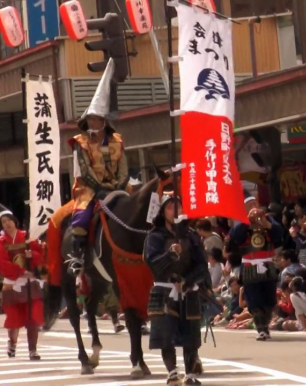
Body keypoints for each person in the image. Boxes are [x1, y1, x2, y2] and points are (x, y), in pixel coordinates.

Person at [67, 61, 129, 276]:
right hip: (90, 190)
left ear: (104, 120)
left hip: (117, 187)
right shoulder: (80, 143)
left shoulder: (117, 141)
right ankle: (77, 256)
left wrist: (119, 185)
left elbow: (123, 166)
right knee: (81, 218)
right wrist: (100, 188)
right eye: (90, 118)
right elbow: (84, 170)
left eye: (96, 118)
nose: (92, 122)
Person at [144, 192, 207, 385]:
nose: (174, 211)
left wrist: (188, 281)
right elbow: (152, 263)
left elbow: (202, 266)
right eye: (170, 207)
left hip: (188, 289)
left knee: (191, 335)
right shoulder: (154, 236)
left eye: (178, 207)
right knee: (166, 335)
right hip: (164, 288)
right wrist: (170, 255)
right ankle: (172, 372)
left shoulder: (191, 236)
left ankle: (190, 374)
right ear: (163, 212)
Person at [225, 191, 284, 341]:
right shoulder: (241, 222)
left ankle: (266, 324)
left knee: (269, 297)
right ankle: (261, 329)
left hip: (267, 262)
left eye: (254, 204)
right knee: (254, 298)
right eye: (249, 205)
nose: (253, 207)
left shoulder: (268, 218)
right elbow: (234, 239)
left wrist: (267, 224)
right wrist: (247, 222)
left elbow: (279, 235)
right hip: (250, 264)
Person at [0, 204, 44, 360]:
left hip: (30, 281)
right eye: (3, 222)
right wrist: (22, 271)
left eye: (9, 220)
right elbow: (3, 262)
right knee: (14, 318)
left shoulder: (27, 236)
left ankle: (33, 350)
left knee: (33, 317)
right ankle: (12, 343)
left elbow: (40, 252)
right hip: (13, 281)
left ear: (14, 220)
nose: (7, 224)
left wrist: (33, 255)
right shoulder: (2, 241)